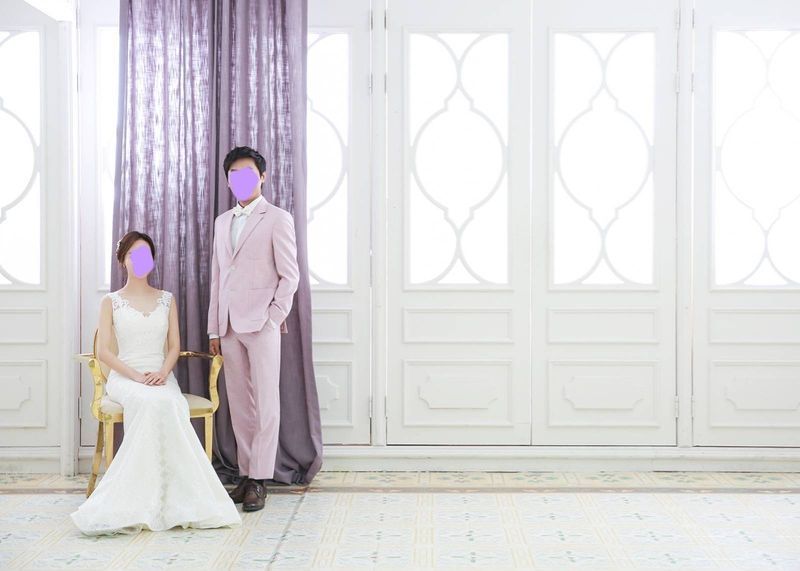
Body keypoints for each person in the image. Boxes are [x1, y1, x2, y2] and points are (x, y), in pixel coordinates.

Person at [70, 231, 241, 535]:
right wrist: (135, 376)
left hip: (161, 375)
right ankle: (136, 497)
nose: (140, 261)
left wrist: (162, 372)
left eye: (146, 255)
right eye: (133, 255)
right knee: (149, 402)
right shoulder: (111, 302)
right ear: (123, 260)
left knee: (169, 402)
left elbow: (174, 346)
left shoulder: (166, 299)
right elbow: (104, 352)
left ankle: (176, 496)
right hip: (125, 378)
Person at [208, 146, 299, 512]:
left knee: (265, 403)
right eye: (234, 174)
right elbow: (218, 278)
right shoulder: (222, 222)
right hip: (229, 325)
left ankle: (260, 478)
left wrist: (273, 318)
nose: (241, 180)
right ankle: (246, 474)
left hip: (262, 324)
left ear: (262, 176)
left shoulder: (277, 218)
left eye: (248, 173)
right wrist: (214, 329)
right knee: (240, 405)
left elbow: (289, 276)